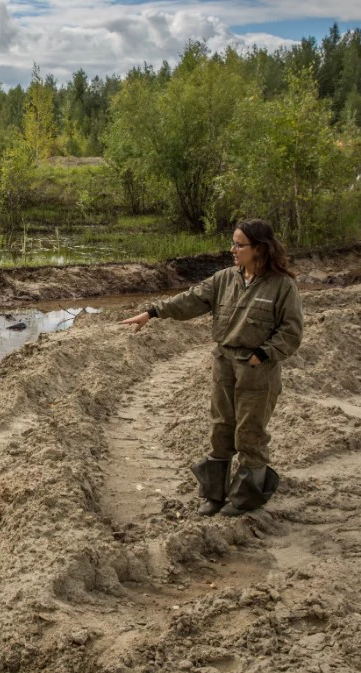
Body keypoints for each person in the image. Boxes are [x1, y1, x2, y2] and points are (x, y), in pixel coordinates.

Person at [120, 219, 303, 516]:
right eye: (233, 243)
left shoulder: (282, 286)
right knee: (221, 429)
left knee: (250, 432)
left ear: (258, 248)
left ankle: (245, 499)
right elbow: (191, 300)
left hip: (258, 369)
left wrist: (263, 354)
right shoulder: (225, 279)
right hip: (224, 363)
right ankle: (214, 495)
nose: (232, 249)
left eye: (239, 244)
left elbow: (292, 331)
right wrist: (152, 312)